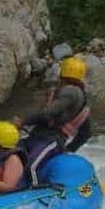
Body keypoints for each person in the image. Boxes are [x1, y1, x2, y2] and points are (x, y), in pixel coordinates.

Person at [16, 56, 91, 187]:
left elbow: (48, 114)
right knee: (16, 158)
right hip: (41, 138)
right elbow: (85, 133)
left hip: (50, 140)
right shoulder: (81, 100)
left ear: (62, 72)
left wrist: (23, 122)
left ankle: (31, 194)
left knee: (31, 167)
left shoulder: (70, 91)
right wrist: (68, 149)